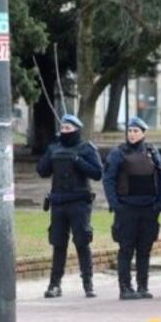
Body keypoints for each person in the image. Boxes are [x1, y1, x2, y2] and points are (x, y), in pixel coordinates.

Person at [36, 114, 103, 298]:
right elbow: (42, 171)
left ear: (76, 129)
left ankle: (88, 284)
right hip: (58, 203)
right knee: (58, 244)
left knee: (82, 242)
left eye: (68, 128)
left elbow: (98, 173)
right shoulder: (55, 147)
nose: (64, 131)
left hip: (79, 203)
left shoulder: (85, 148)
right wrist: (50, 151)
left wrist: (78, 161)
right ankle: (54, 284)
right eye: (63, 128)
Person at [102, 117, 161, 300]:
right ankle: (125, 287)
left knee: (144, 249)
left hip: (148, 209)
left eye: (136, 131)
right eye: (129, 131)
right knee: (126, 249)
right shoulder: (118, 153)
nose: (132, 134)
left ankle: (143, 286)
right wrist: (116, 206)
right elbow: (108, 180)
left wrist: (159, 204)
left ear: (143, 133)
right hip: (127, 209)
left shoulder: (152, 151)